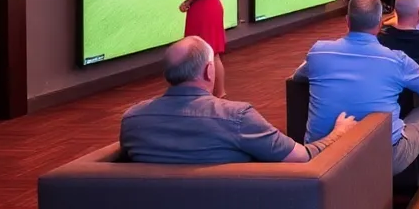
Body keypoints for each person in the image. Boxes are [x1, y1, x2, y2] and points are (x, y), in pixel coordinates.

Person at [295, 0, 419, 209]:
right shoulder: (395, 60)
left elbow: (299, 77)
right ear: (380, 24)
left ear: (347, 21)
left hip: (322, 155)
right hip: (384, 157)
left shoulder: (318, 52)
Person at [121, 36, 357, 164]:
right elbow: (303, 157)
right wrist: (339, 133)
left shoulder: (132, 121)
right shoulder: (237, 118)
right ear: (209, 72)